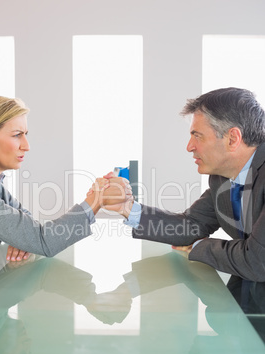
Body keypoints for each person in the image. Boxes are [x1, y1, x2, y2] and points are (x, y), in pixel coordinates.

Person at [99, 87, 265, 313]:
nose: (189, 147)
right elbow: (191, 225)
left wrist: (198, 246)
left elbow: (257, 260)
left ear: (232, 138)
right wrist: (127, 208)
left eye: (198, 136)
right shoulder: (221, 178)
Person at [0, 95, 132, 300]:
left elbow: (26, 221)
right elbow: (43, 240)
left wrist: (25, 237)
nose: (26, 145)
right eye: (17, 135)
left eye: (26, 134)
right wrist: (96, 200)